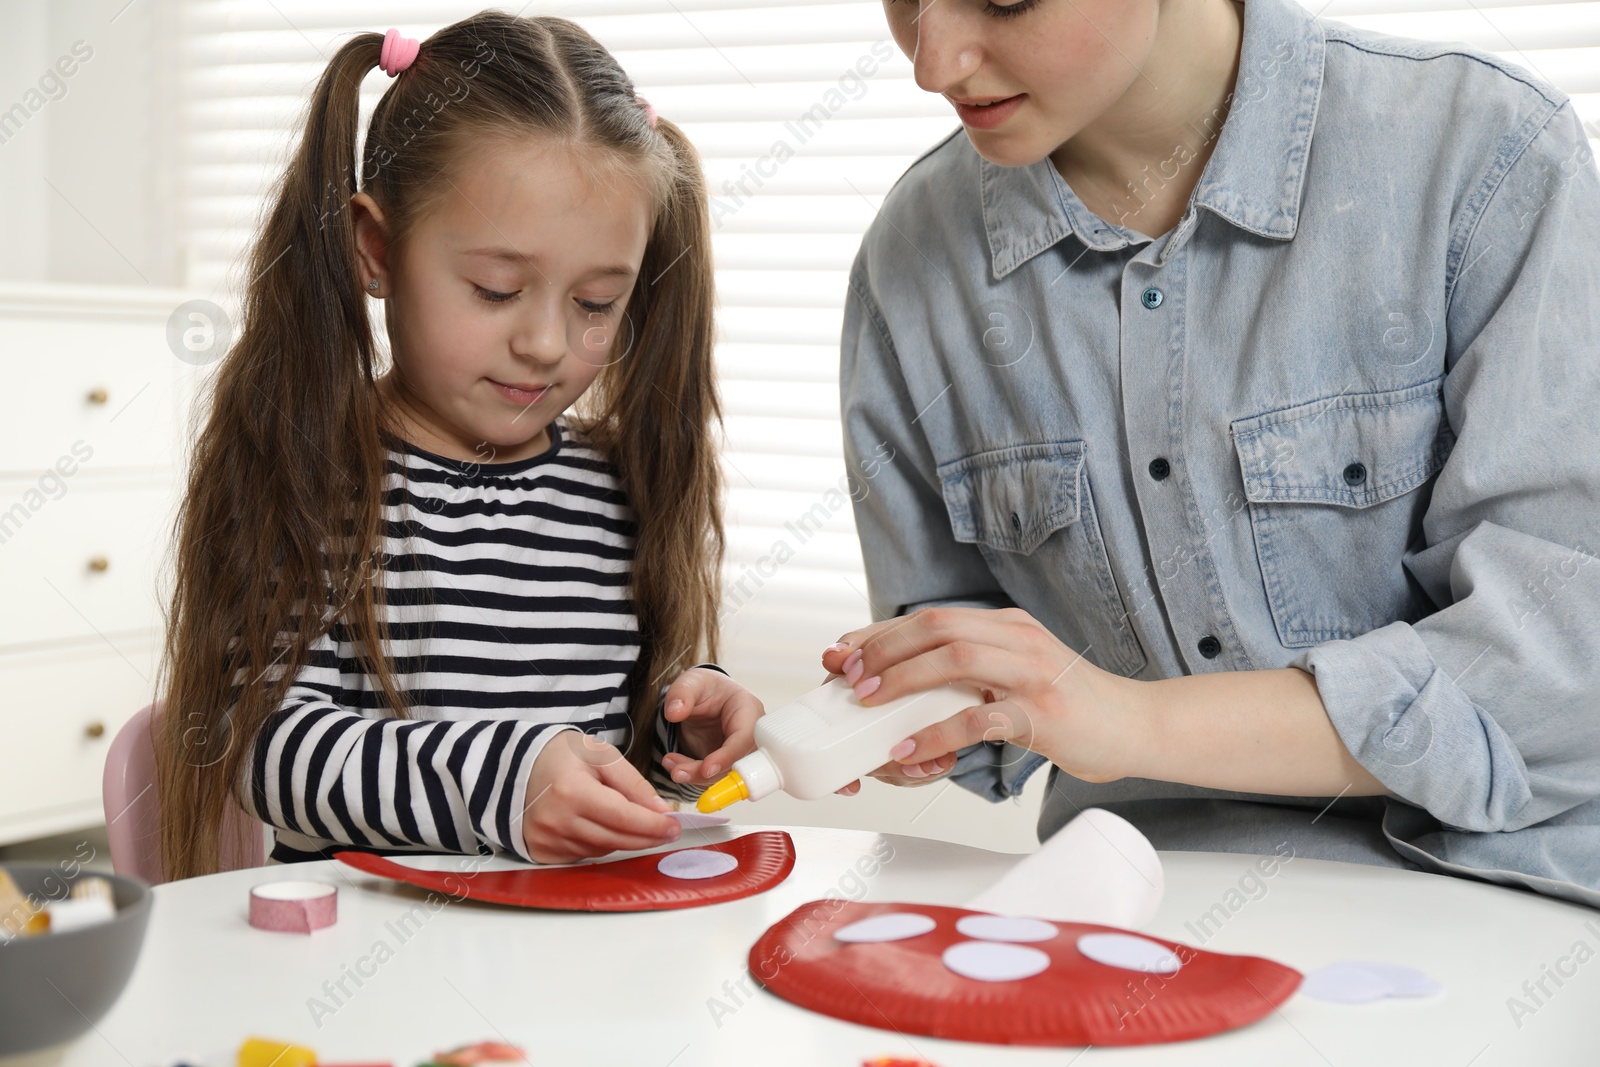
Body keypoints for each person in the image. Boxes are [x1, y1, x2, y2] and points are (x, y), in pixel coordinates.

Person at [825, 0, 1600, 908]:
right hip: (1137, 919)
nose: (933, 61)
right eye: (905, 0)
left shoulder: (1483, 154)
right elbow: (965, 674)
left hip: (1503, 904)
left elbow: (1559, 676)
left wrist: (1135, 722)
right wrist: (852, 721)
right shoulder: (910, 262)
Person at [154, 13, 759, 878]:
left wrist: (683, 721)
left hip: (576, 956)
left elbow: (604, 730)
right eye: (496, 288)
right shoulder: (316, 478)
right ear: (377, 250)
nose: (547, 343)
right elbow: (266, 751)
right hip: (362, 967)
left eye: (595, 303)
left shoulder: (614, 488)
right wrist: (502, 786)